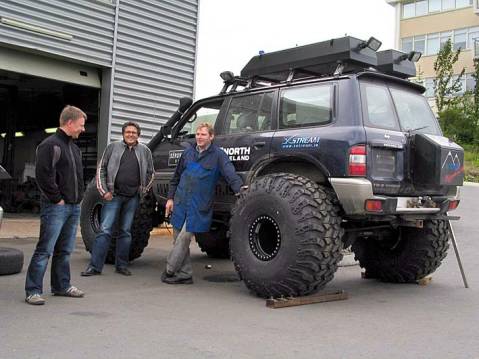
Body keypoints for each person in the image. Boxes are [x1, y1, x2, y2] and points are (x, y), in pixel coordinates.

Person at [162, 122, 243, 284]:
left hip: (199, 205)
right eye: (198, 134)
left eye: (203, 134)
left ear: (211, 137)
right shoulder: (188, 153)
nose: (199, 137)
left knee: (185, 237)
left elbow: (230, 173)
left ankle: (170, 269)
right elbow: (176, 177)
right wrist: (170, 199)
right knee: (177, 237)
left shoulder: (218, 155)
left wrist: (240, 190)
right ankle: (185, 274)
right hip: (181, 201)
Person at [25, 105, 87, 305]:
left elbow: (77, 177)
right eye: (81, 125)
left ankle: (61, 286)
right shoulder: (50, 145)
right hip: (57, 207)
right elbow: (43, 176)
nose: (83, 129)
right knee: (45, 249)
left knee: (65, 250)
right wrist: (57, 199)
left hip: (73, 206)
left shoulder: (74, 148)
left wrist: (79, 198)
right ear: (69, 123)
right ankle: (33, 290)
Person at [81, 121, 154, 277]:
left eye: (134, 132)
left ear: (138, 135)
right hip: (113, 196)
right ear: (123, 134)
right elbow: (101, 169)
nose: (130, 135)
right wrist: (104, 191)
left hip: (132, 198)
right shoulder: (112, 148)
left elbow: (151, 173)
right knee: (105, 230)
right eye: (128, 132)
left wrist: (143, 190)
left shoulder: (144, 151)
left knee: (125, 232)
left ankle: (121, 265)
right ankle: (94, 267)